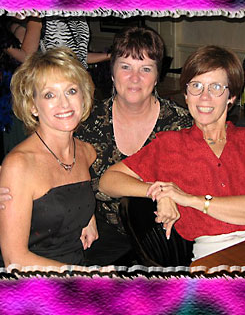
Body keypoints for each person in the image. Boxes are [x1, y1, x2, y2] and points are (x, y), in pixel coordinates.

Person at [96, 47, 245, 264]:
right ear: (186, 95)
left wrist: (190, 199)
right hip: (214, 253)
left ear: (231, 96)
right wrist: (161, 192)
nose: (204, 97)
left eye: (216, 87)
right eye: (196, 86)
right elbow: (108, 181)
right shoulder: (170, 145)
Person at [74, 24, 193, 266]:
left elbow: (205, 174)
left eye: (145, 69)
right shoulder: (87, 121)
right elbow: (61, 169)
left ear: (157, 76)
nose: (135, 78)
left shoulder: (181, 123)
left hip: (165, 237)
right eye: (125, 67)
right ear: (112, 72)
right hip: (101, 234)